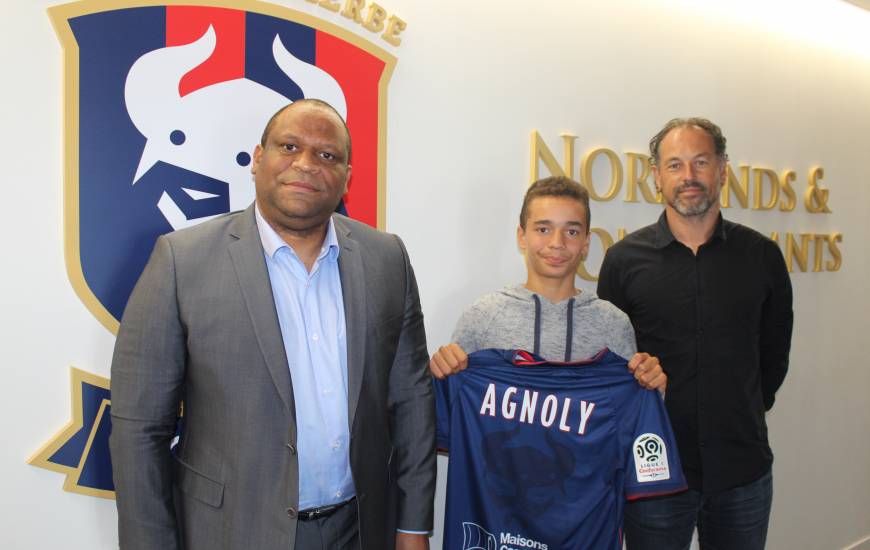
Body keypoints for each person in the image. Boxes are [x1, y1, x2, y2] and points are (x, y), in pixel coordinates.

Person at [109, 99, 435, 550]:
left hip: (360, 530)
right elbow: (139, 428)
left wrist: (414, 526)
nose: (306, 165)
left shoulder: (387, 259)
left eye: (327, 155)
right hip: (230, 532)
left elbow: (413, 401)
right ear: (258, 159)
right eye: (289, 146)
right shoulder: (181, 262)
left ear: (346, 176)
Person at [597, 117, 794, 550]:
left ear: (722, 169)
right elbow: (610, 367)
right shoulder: (623, 261)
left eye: (700, 162)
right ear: (656, 176)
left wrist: (741, 409)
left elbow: (774, 356)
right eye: (674, 165)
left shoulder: (762, 256)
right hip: (655, 474)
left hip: (742, 472)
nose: (688, 177)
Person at [429, 176, 666, 390]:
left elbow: (631, 414)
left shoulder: (613, 324)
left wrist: (652, 386)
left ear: (586, 243)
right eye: (543, 229)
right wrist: (440, 372)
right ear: (522, 236)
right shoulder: (482, 317)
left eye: (571, 232)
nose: (557, 243)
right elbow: (453, 402)